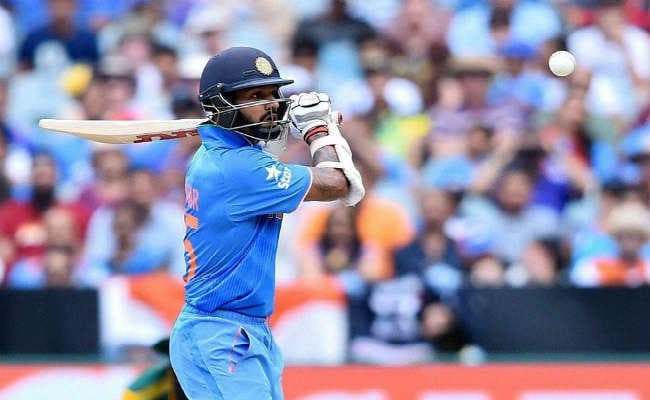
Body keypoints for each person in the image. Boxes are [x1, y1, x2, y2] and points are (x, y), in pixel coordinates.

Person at [168, 47, 364, 399]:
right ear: (222, 104)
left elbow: (266, 157)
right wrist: (318, 129)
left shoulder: (226, 154)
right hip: (220, 333)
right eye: (255, 96)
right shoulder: (237, 169)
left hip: (238, 328)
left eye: (274, 93)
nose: (272, 103)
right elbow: (338, 183)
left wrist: (288, 128)